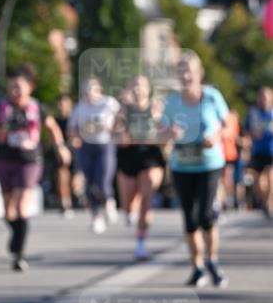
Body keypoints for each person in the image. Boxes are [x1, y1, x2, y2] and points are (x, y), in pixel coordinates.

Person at [0, 64, 70, 270]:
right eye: (12, 87)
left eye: (19, 87)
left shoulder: (37, 107)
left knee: (22, 203)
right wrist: (0, 128)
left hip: (29, 161)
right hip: (5, 159)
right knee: (9, 211)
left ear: (30, 87)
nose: (15, 91)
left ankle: (19, 255)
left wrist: (60, 147)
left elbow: (52, 127)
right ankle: (16, 234)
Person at [160, 54, 230, 287]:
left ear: (199, 74)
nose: (186, 76)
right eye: (181, 71)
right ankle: (197, 266)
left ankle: (213, 261)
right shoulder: (172, 102)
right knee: (189, 218)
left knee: (206, 215)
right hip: (182, 165)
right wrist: (170, 134)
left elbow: (228, 125)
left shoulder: (212, 97)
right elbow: (161, 132)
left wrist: (215, 136)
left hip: (209, 163)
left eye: (189, 71)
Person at [114, 74, 166, 260]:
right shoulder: (123, 111)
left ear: (148, 89)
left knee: (147, 196)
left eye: (141, 86)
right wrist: (121, 134)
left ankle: (141, 242)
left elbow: (165, 133)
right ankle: (129, 211)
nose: (138, 89)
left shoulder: (156, 108)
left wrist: (162, 133)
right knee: (128, 204)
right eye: (134, 86)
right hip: (129, 158)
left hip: (150, 156)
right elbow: (118, 136)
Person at [67, 78, 120, 234]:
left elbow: (122, 119)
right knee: (90, 184)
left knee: (103, 181)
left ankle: (109, 202)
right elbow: (71, 129)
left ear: (100, 89)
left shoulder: (109, 103)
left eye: (92, 88)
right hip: (86, 147)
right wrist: (83, 131)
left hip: (104, 145)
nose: (89, 92)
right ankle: (96, 216)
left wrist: (109, 127)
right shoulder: (80, 107)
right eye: (86, 88)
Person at [245, 86, 273, 219]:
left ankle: (268, 203)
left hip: (271, 150)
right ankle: (263, 200)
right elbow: (247, 130)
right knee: (258, 181)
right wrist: (252, 135)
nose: (264, 100)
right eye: (262, 97)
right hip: (257, 150)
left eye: (266, 97)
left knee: (270, 176)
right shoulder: (253, 113)